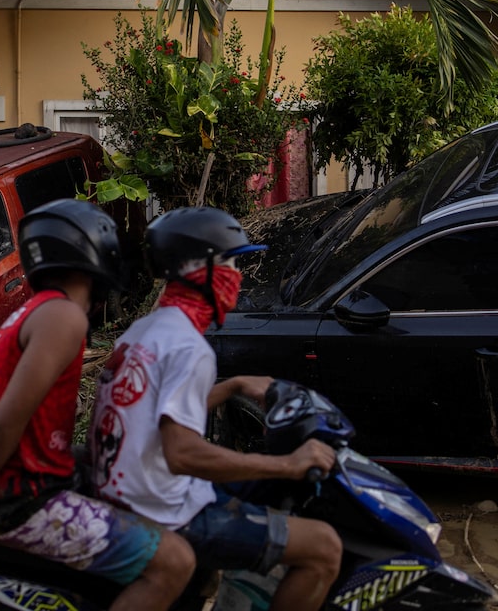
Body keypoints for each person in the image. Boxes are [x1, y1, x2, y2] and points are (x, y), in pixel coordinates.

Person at [0, 198, 195, 611]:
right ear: (94, 255)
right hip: (22, 503)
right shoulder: (64, 319)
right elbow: (3, 424)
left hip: (3, 490)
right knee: (175, 562)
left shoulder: (26, 315)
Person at [89, 205, 343, 611]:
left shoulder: (145, 331)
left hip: (127, 492)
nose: (237, 275)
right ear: (200, 270)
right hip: (163, 510)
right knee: (324, 548)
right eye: (229, 263)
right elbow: (182, 452)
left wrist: (232, 388)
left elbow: (153, 411)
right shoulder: (188, 347)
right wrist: (288, 464)